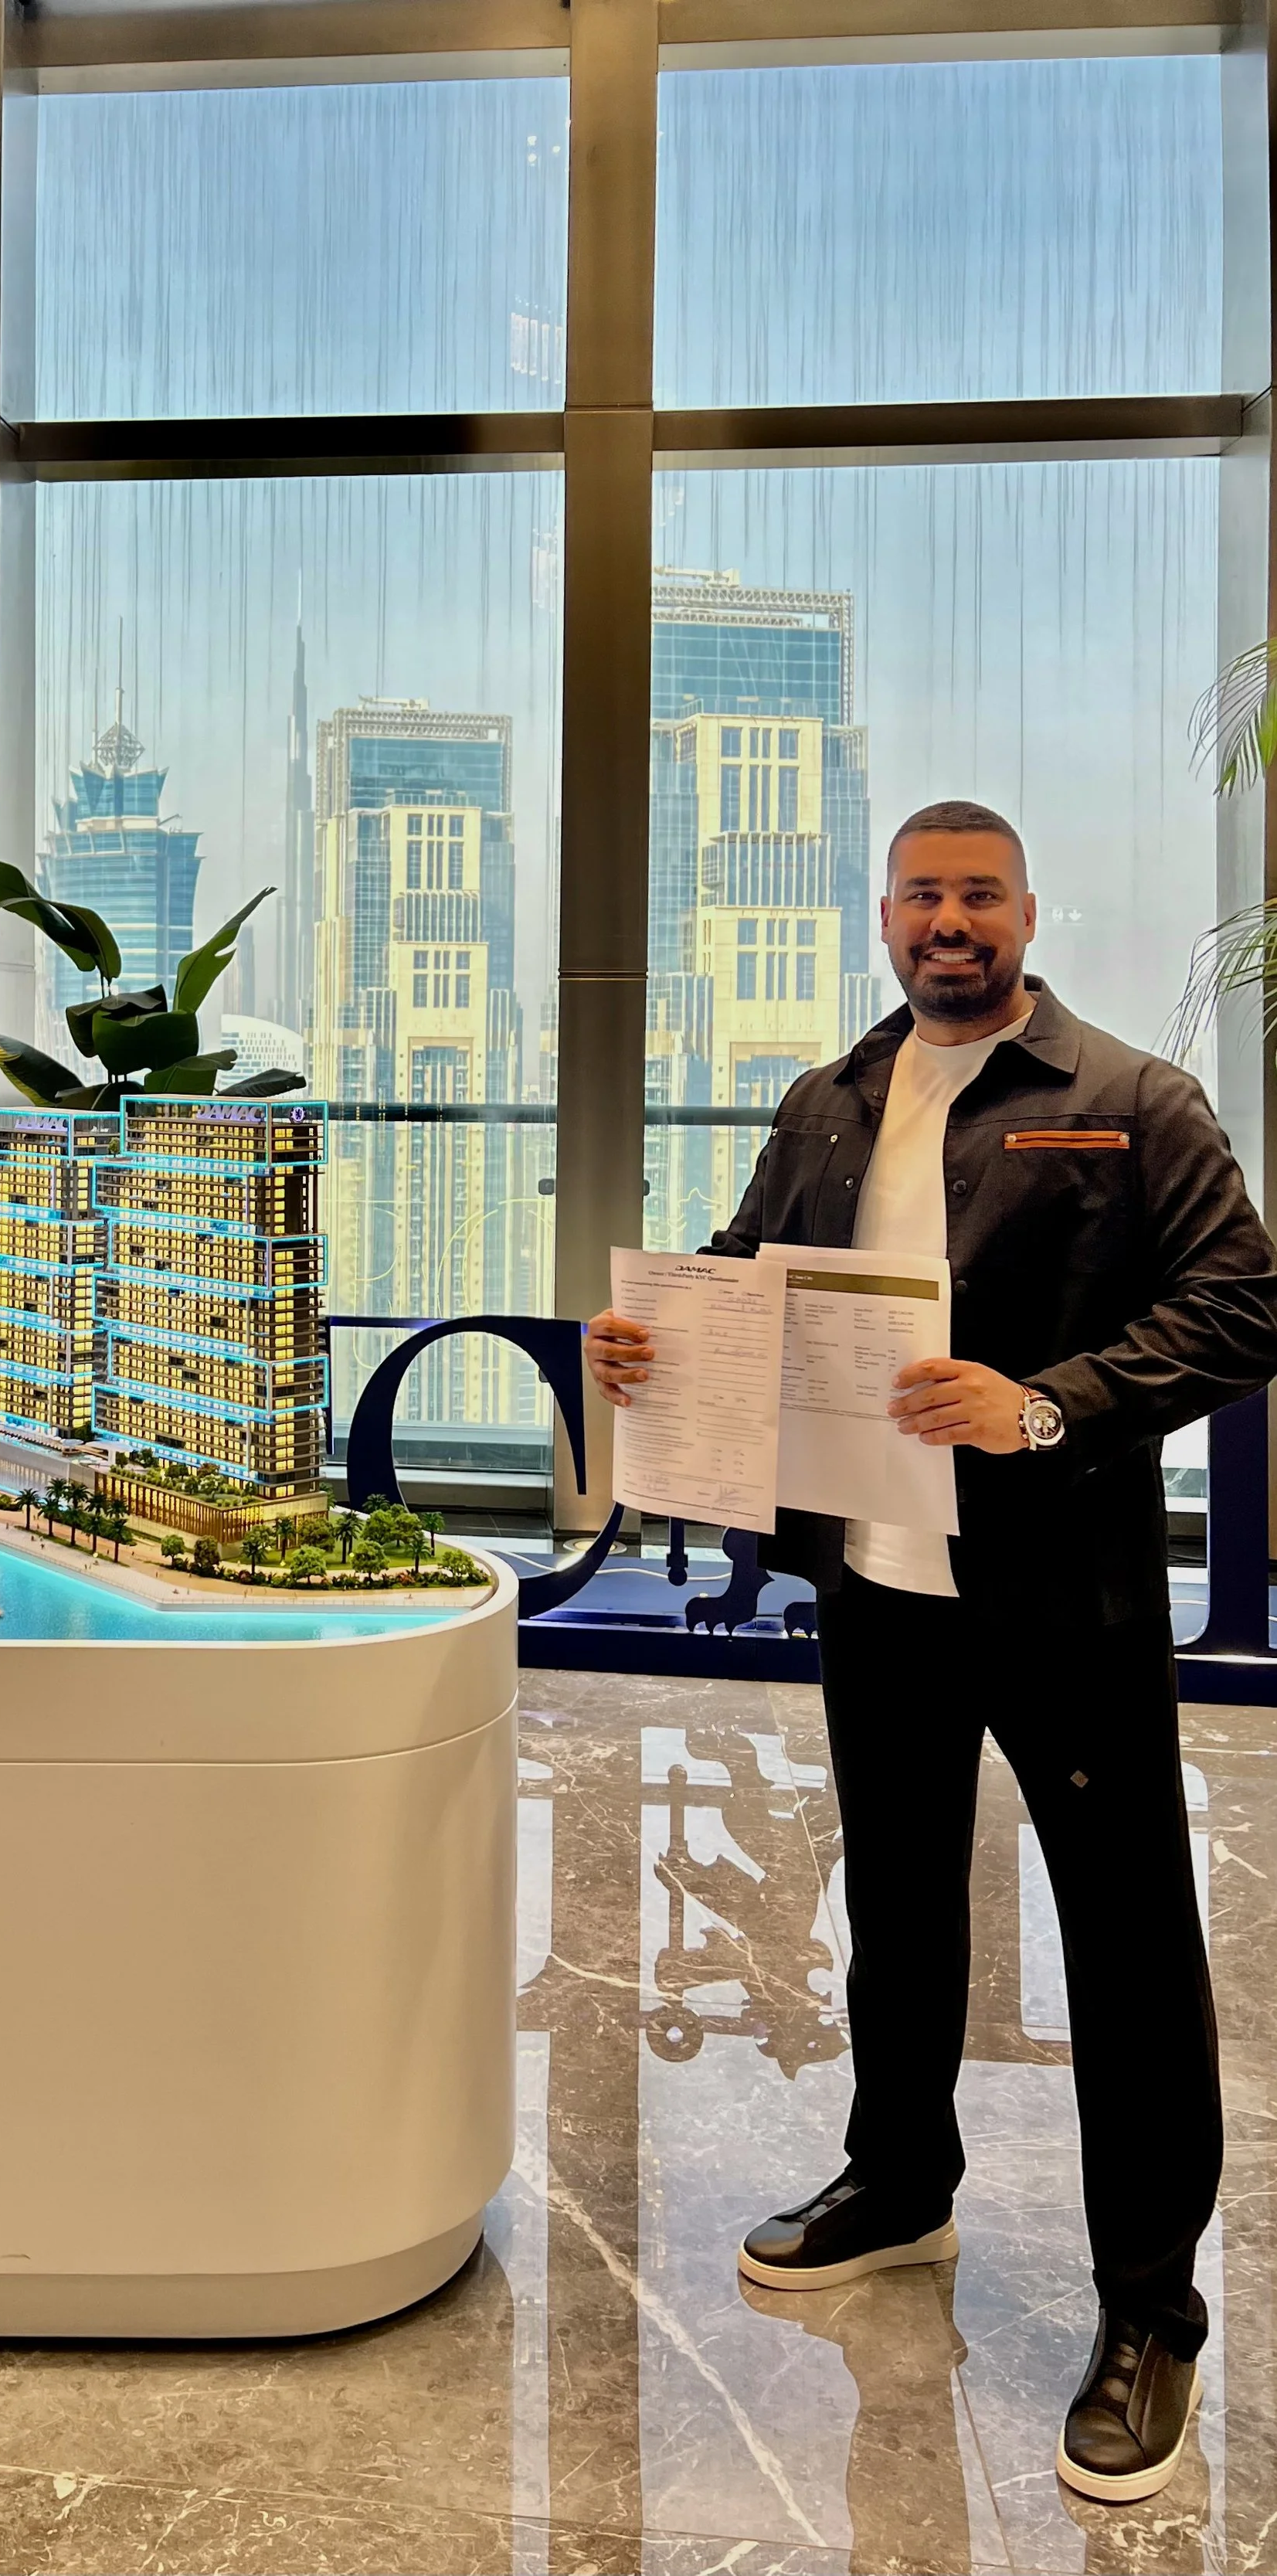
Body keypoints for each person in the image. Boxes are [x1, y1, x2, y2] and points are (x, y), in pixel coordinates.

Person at [586, 800, 1277, 2506]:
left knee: (1120, 1942)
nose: (945, 920)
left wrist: (1040, 1405)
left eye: (976, 894)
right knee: (894, 1901)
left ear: (1023, 912)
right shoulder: (828, 1096)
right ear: (882, 913)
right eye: (919, 894)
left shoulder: (1125, 1101)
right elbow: (751, 1274)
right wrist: (648, 1339)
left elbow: (1244, 1301)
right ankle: (897, 2182)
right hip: (872, 1579)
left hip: (1063, 1596)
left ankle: (1147, 2311)